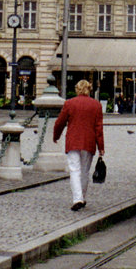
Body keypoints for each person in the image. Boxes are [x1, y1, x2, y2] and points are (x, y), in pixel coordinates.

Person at [53, 79, 105, 211]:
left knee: (74, 170)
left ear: (77, 89)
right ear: (89, 89)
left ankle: (78, 198)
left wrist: (56, 136)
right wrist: (101, 147)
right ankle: (82, 196)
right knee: (84, 171)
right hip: (89, 142)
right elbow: (99, 128)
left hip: (73, 141)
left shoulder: (69, 103)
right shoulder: (96, 105)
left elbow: (60, 122)